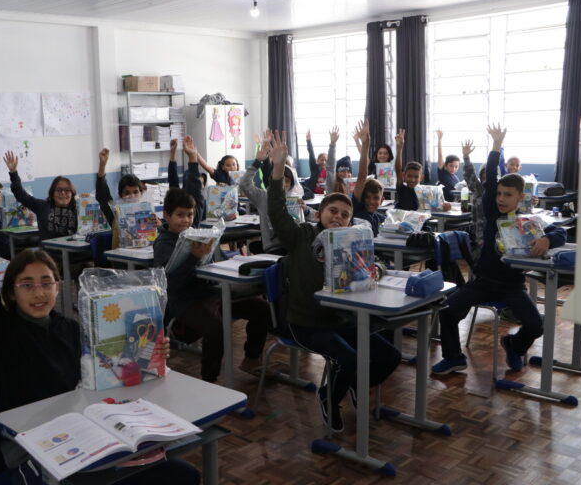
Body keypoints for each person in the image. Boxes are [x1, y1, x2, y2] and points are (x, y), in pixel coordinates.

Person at [0, 153, 199, 485]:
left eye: (47, 283)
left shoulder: (70, 328)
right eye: (27, 285)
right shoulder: (0, 328)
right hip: (28, 441)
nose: (39, 293)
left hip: (81, 428)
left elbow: (107, 371)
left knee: (184, 474)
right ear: (11, 292)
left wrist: (148, 357)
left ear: (59, 287)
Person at [266, 129, 401, 433]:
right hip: (306, 322)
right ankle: (330, 396)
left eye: (344, 214)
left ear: (351, 221)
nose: (338, 217)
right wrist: (276, 168)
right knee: (350, 358)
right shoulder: (302, 236)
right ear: (320, 213)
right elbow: (276, 210)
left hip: (341, 319)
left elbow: (376, 262)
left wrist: (376, 270)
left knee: (390, 356)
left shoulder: (351, 241)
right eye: (332, 211)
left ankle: (349, 385)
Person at [431, 124, 567, 375]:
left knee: (536, 326)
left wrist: (547, 241)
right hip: (482, 281)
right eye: (500, 194)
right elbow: (491, 178)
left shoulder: (528, 222)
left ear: (520, 198)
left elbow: (560, 232)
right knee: (448, 312)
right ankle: (453, 357)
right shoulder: (493, 212)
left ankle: (514, 345)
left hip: (511, 286)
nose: (501, 198)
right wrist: (495, 148)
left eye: (508, 195)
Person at [153, 184, 269, 382]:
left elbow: (211, 263)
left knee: (261, 307)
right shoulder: (163, 243)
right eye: (180, 215)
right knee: (216, 327)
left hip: (212, 293)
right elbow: (172, 281)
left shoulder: (196, 235)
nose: (186, 220)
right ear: (167, 215)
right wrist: (193, 257)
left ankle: (251, 358)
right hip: (185, 301)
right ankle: (209, 379)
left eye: (190, 215)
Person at [4, 150, 78, 240]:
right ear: (52, 193)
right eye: (59, 190)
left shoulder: (76, 209)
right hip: (49, 252)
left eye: (67, 190)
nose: (63, 193)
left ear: (72, 194)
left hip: (72, 252)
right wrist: (13, 172)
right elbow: (20, 194)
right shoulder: (43, 206)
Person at [96, 147, 145, 248]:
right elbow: (103, 196)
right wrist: (102, 165)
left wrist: (158, 224)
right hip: (122, 261)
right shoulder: (115, 214)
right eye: (127, 193)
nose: (132, 196)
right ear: (120, 195)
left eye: (135, 192)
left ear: (141, 193)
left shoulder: (149, 212)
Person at [394, 130, 451, 212]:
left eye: (416, 177)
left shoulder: (425, 192)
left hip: (419, 222)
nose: (412, 179)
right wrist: (400, 148)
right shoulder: (402, 188)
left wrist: (445, 206)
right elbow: (398, 170)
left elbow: (436, 206)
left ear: (421, 178)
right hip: (404, 221)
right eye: (409, 176)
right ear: (403, 176)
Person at [351, 120, 385, 236]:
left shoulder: (380, 218)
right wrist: (366, 144)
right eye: (367, 197)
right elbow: (362, 176)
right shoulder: (357, 208)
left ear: (382, 201)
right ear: (361, 197)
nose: (371, 201)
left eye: (376, 198)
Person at [436, 129, 461, 201]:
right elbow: (440, 155)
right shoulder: (442, 173)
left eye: (456, 167)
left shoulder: (456, 178)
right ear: (445, 165)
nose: (453, 169)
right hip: (445, 203)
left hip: (455, 202)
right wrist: (439, 139)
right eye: (451, 166)